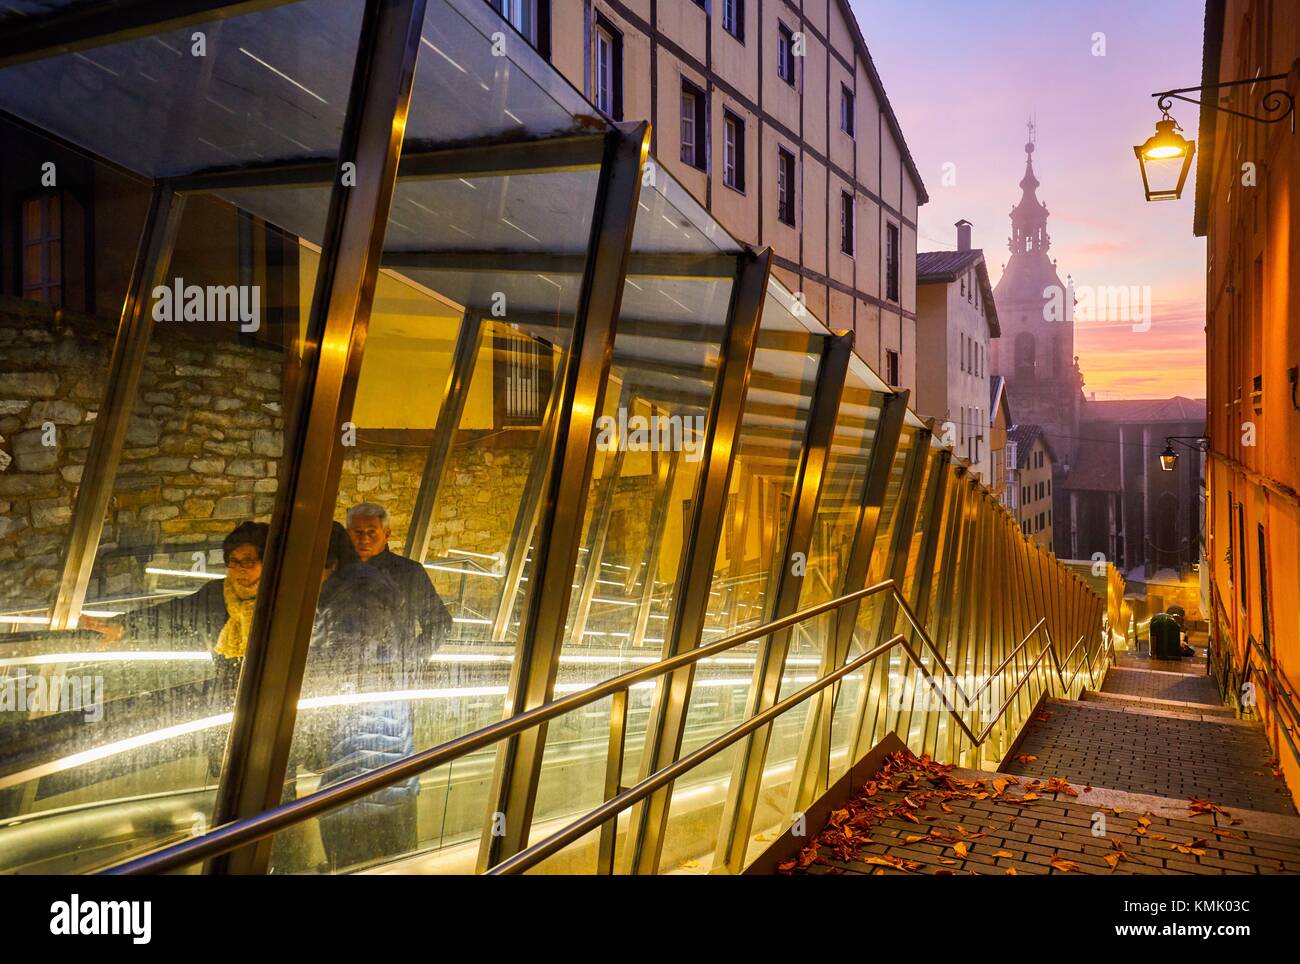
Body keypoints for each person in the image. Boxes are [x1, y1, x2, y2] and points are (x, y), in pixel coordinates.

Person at [295, 522, 420, 872]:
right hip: (379, 759)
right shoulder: (361, 591)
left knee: (357, 860)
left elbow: (342, 667)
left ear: (327, 562)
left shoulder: (350, 599)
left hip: (360, 764)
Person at [345, 502, 452, 659]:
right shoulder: (334, 571)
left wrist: (409, 659)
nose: (364, 539)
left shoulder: (409, 573)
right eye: (357, 532)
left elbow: (440, 623)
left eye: (371, 532)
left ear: (387, 534)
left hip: (390, 674)